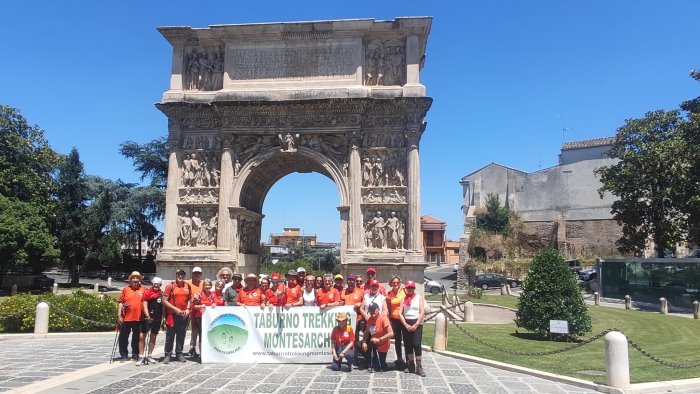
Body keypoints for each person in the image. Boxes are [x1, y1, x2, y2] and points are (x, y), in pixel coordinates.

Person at [162, 269, 192, 363]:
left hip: (183, 315)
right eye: (179, 274)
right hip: (172, 315)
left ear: (184, 276)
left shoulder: (187, 286)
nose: (180, 276)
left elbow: (189, 299)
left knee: (181, 335)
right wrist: (175, 309)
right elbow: (164, 301)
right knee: (170, 336)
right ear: (176, 275)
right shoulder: (170, 286)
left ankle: (179, 353)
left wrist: (187, 309)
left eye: (182, 274)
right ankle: (167, 354)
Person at [398, 280, 426, 376]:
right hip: (406, 323)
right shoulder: (403, 299)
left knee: (417, 344)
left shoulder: (419, 298)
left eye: (411, 288)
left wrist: (416, 324)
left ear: (414, 288)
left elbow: (422, 311)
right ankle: (411, 364)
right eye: (408, 288)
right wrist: (405, 325)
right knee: (408, 345)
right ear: (406, 289)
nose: (410, 290)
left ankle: (419, 366)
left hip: (416, 323)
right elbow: (400, 313)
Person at [117, 271, 145, 362]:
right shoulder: (125, 289)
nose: (135, 280)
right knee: (123, 337)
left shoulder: (144, 289)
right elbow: (120, 302)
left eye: (137, 278)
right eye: (133, 278)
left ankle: (135, 354)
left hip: (139, 317)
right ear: (130, 280)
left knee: (136, 338)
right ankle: (124, 354)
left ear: (140, 280)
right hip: (126, 317)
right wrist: (119, 315)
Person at [362, 302, 394, 372]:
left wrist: (379, 339)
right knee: (359, 345)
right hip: (374, 343)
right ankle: (369, 362)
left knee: (382, 367)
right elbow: (366, 332)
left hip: (383, 343)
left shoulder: (383, 318)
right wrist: (364, 342)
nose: (372, 312)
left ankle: (395, 364)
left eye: (373, 310)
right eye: (370, 310)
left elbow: (391, 333)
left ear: (378, 310)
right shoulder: (370, 319)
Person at [191, 278, 216, 359]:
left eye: (209, 285)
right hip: (200, 317)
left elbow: (215, 304)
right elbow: (193, 306)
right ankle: (202, 354)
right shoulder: (199, 294)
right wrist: (200, 306)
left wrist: (214, 305)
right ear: (203, 286)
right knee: (202, 335)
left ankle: (210, 352)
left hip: (210, 318)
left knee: (210, 335)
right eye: (206, 285)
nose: (207, 286)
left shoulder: (212, 295)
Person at [140, 276, 163, 365]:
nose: (156, 285)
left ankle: (150, 355)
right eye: (154, 283)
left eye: (158, 284)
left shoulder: (162, 294)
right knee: (142, 336)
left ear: (160, 284)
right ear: (152, 284)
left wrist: (163, 318)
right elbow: (144, 305)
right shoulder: (147, 293)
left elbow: (163, 308)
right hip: (147, 317)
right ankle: (141, 356)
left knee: (153, 336)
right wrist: (148, 316)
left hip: (157, 318)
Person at [386, 276, 406, 370]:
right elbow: (389, 307)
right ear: (391, 283)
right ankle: (399, 359)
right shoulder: (389, 294)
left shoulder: (404, 291)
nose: (396, 284)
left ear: (400, 283)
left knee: (406, 340)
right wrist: (389, 319)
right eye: (394, 282)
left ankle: (409, 360)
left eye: (397, 282)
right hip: (394, 319)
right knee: (397, 340)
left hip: (404, 319)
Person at [186, 267, 204, 357]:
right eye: (195, 273)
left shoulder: (203, 283)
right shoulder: (187, 283)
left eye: (198, 273)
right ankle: (182, 348)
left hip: (198, 310)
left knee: (196, 329)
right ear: (192, 274)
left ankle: (193, 347)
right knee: (185, 330)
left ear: (201, 274)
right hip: (188, 309)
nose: (197, 274)